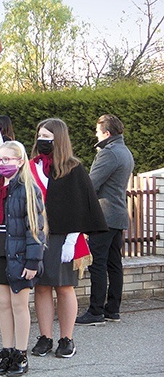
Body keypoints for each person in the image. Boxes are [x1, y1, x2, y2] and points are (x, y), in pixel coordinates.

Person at [28, 118, 107, 358]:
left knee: (64, 288)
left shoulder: (74, 168)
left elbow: (83, 206)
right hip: (37, 236)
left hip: (64, 238)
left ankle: (66, 338)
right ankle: (45, 337)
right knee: (41, 288)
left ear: (58, 139)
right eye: (40, 136)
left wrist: (72, 240)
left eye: (47, 137)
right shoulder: (32, 166)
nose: (42, 141)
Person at [0, 141, 46, 376]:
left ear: (19, 161)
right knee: (3, 305)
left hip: (19, 253)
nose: (2, 164)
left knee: (19, 305)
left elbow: (35, 228)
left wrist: (33, 261)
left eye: (7, 159)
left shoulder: (28, 188)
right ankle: (6, 351)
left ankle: (21, 353)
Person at [76, 115, 134, 325]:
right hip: (117, 215)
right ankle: (112, 310)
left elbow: (91, 184)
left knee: (98, 264)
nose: (96, 135)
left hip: (104, 217)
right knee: (113, 263)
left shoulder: (109, 154)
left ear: (107, 134)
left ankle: (95, 311)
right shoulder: (125, 151)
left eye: (98, 131)